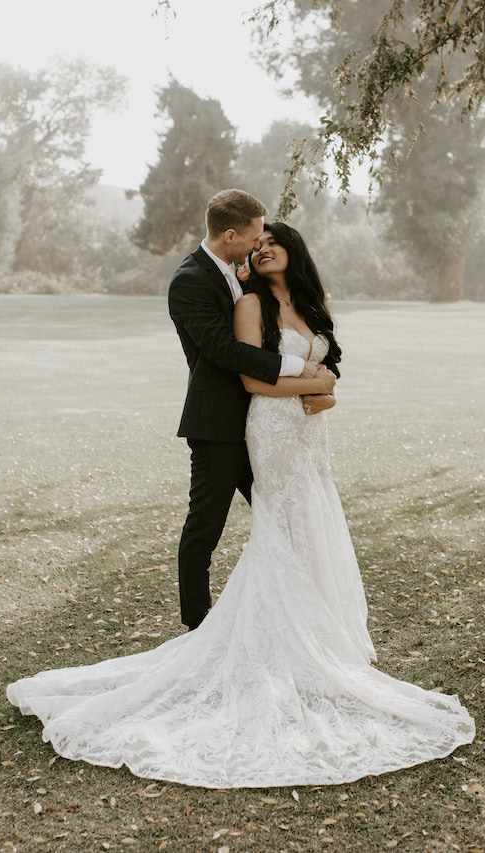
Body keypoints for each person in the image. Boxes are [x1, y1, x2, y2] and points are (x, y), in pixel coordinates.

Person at [6, 220, 475, 788]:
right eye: (258, 244)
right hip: (272, 429)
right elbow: (253, 379)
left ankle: (326, 633)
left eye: (273, 242)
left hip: (309, 434)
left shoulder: (312, 304)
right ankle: (251, 635)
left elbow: (333, 373)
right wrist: (313, 382)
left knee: (312, 523)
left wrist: (325, 390)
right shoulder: (250, 302)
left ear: (292, 250)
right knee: (273, 526)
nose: (264, 249)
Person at [164, 189, 336, 630]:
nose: (260, 245)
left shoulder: (239, 277)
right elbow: (225, 351)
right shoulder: (189, 280)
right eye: (256, 236)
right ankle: (196, 628)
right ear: (230, 235)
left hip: (267, 423)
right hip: (221, 422)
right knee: (205, 528)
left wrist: (321, 382)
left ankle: (295, 616)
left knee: (286, 519)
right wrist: (304, 368)